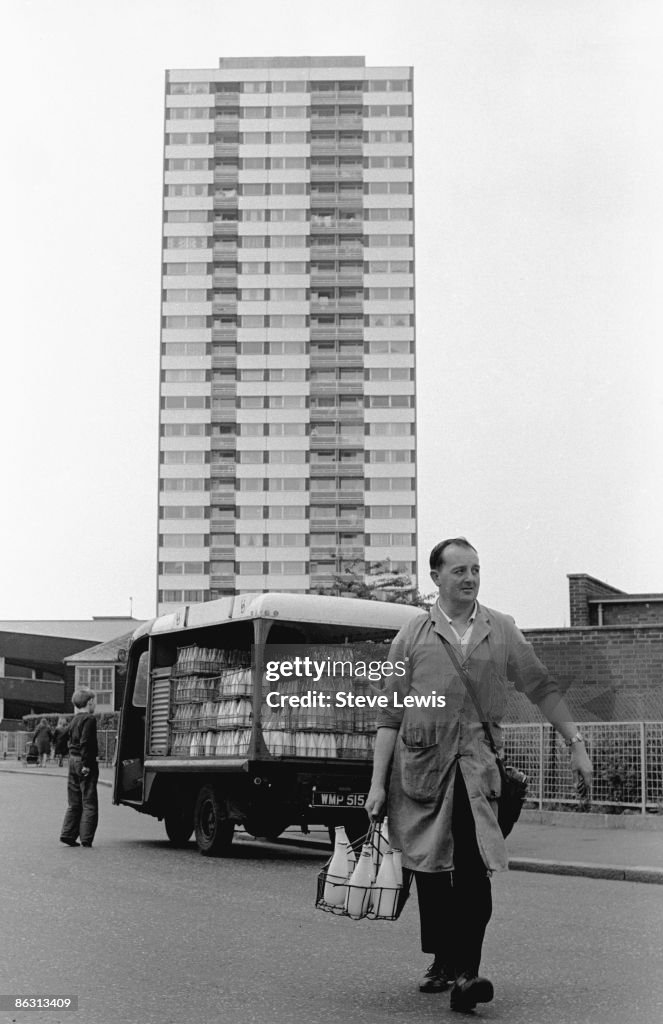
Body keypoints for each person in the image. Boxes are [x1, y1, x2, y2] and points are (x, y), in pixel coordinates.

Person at [366, 538, 593, 1014]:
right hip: (421, 772)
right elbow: (388, 716)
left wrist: (576, 743)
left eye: (475, 570)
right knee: (429, 870)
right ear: (436, 579)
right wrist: (376, 786)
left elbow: (542, 687)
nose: (469, 578)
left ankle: (467, 973)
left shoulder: (501, 630)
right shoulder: (411, 636)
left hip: (476, 771)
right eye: (459, 571)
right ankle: (443, 958)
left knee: (472, 869)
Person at [59, 689, 99, 848]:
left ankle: (67, 834)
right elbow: (86, 742)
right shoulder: (89, 719)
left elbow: (62, 738)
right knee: (89, 801)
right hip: (84, 761)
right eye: (94, 701)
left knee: (74, 801)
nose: (95, 704)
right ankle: (86, 838)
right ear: (89, 702)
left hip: (72, 760)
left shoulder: (74, 720)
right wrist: (87, 765)